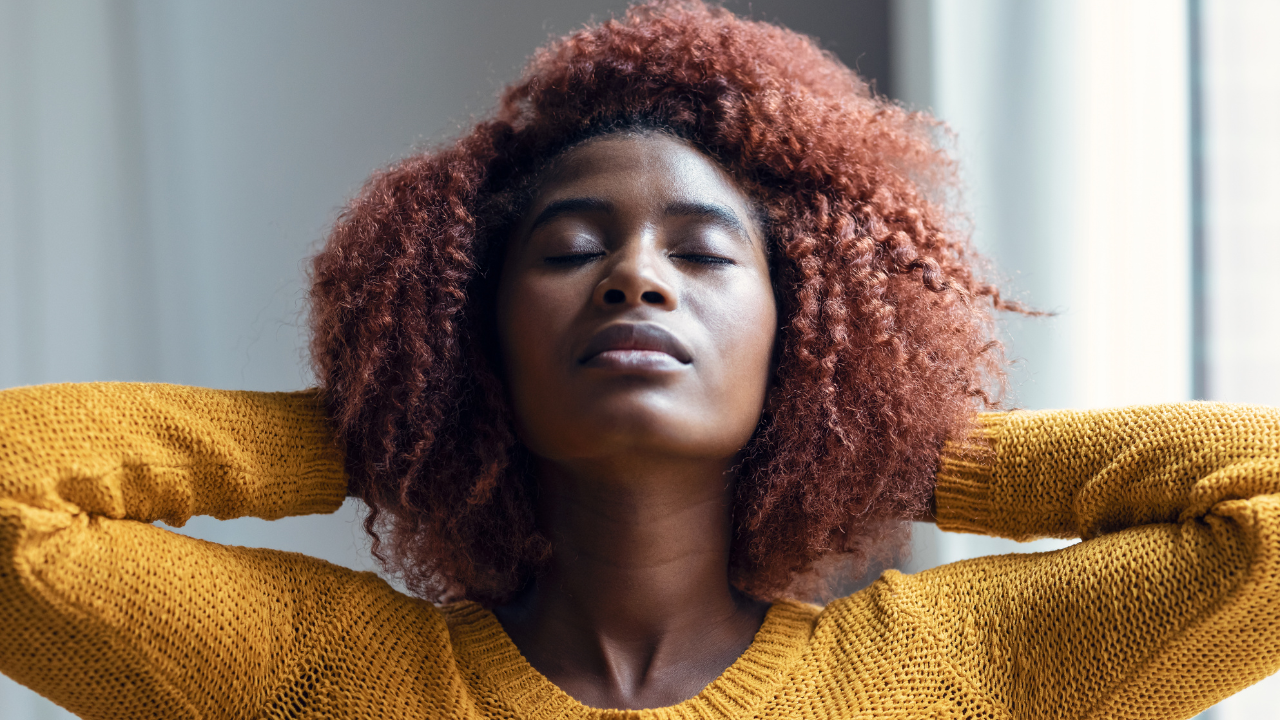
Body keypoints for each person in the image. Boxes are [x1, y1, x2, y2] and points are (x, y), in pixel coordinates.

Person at [1, 2, 1277, 718]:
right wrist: (414, 418)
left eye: (705, 255)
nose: (636, 277)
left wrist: (879, 442)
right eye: (568, 248)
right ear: (473, 329)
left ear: (807, 334)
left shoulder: (964, 671)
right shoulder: (316, 678)